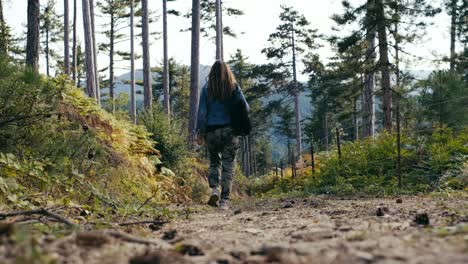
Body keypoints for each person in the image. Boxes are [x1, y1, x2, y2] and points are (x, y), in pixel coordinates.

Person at [196, 60, 249, 210]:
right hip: (229, 131)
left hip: (212, 132)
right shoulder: (233, 87)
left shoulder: (207, 89)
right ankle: (224, 200)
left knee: (214, 162)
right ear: (227, 72)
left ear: (212, 73)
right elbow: (245, 107)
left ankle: (214, 190)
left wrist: (199, 132)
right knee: (228, 166)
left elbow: (201, 113)